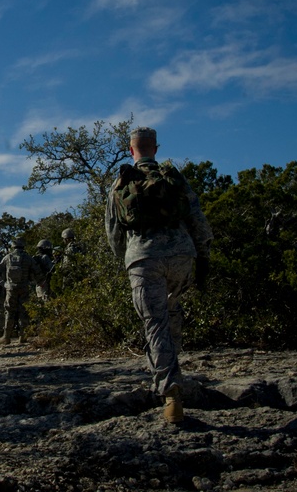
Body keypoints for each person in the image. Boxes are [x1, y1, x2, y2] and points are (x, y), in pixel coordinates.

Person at [105, 126, 213, 423]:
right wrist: (202, 255)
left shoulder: (121, 182)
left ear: (131, 150)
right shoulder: (173, 178)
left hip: (143, 259)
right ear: (156, 148)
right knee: (171, 310)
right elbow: (197, 218)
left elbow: (113, 234)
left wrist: (127, 260)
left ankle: (171, 391)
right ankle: (174, 365)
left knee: (155, 323)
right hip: (182, 256)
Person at [0, 238, 42, 344]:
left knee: (9, 312)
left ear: (13, 246)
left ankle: (6, 337)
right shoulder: (28, 258)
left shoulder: (7, 258)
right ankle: (23, 336)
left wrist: (4, 283)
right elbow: (37, 271)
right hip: (24, 288)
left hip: (11, 289)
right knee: (24, 312)